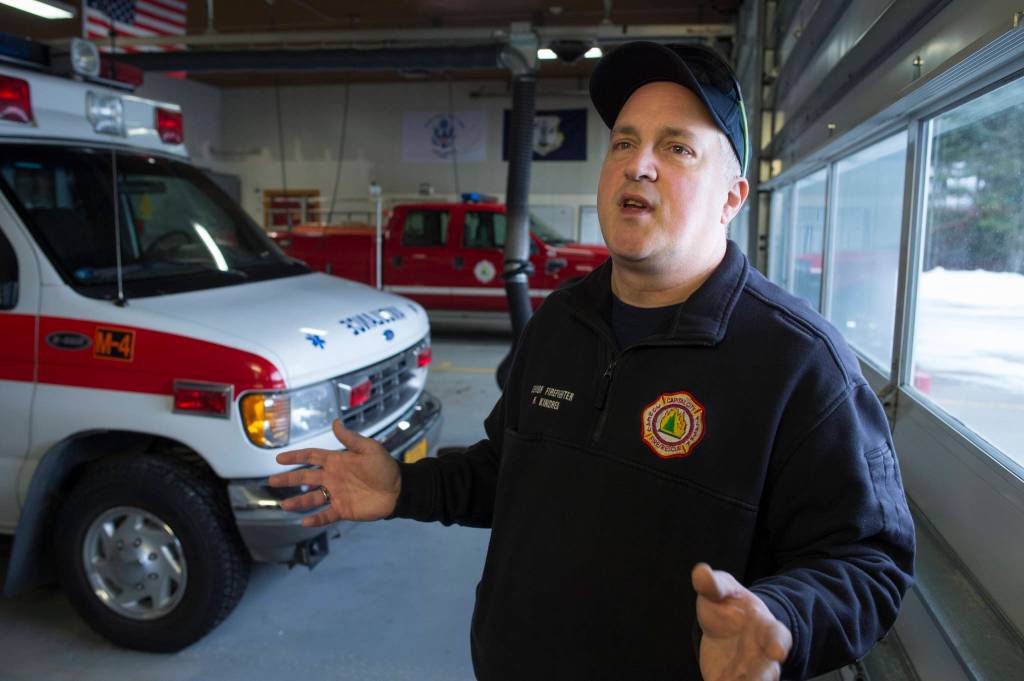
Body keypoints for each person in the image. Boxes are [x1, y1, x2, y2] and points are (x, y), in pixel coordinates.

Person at [268, 41, 915, 681]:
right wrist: (403, 487)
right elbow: (508, 471)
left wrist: (786, 617)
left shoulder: (801, 364)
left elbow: (869, 563)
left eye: (677, 148)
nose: (639, 165)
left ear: (731, 198)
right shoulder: (560, 320)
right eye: (624, 142)